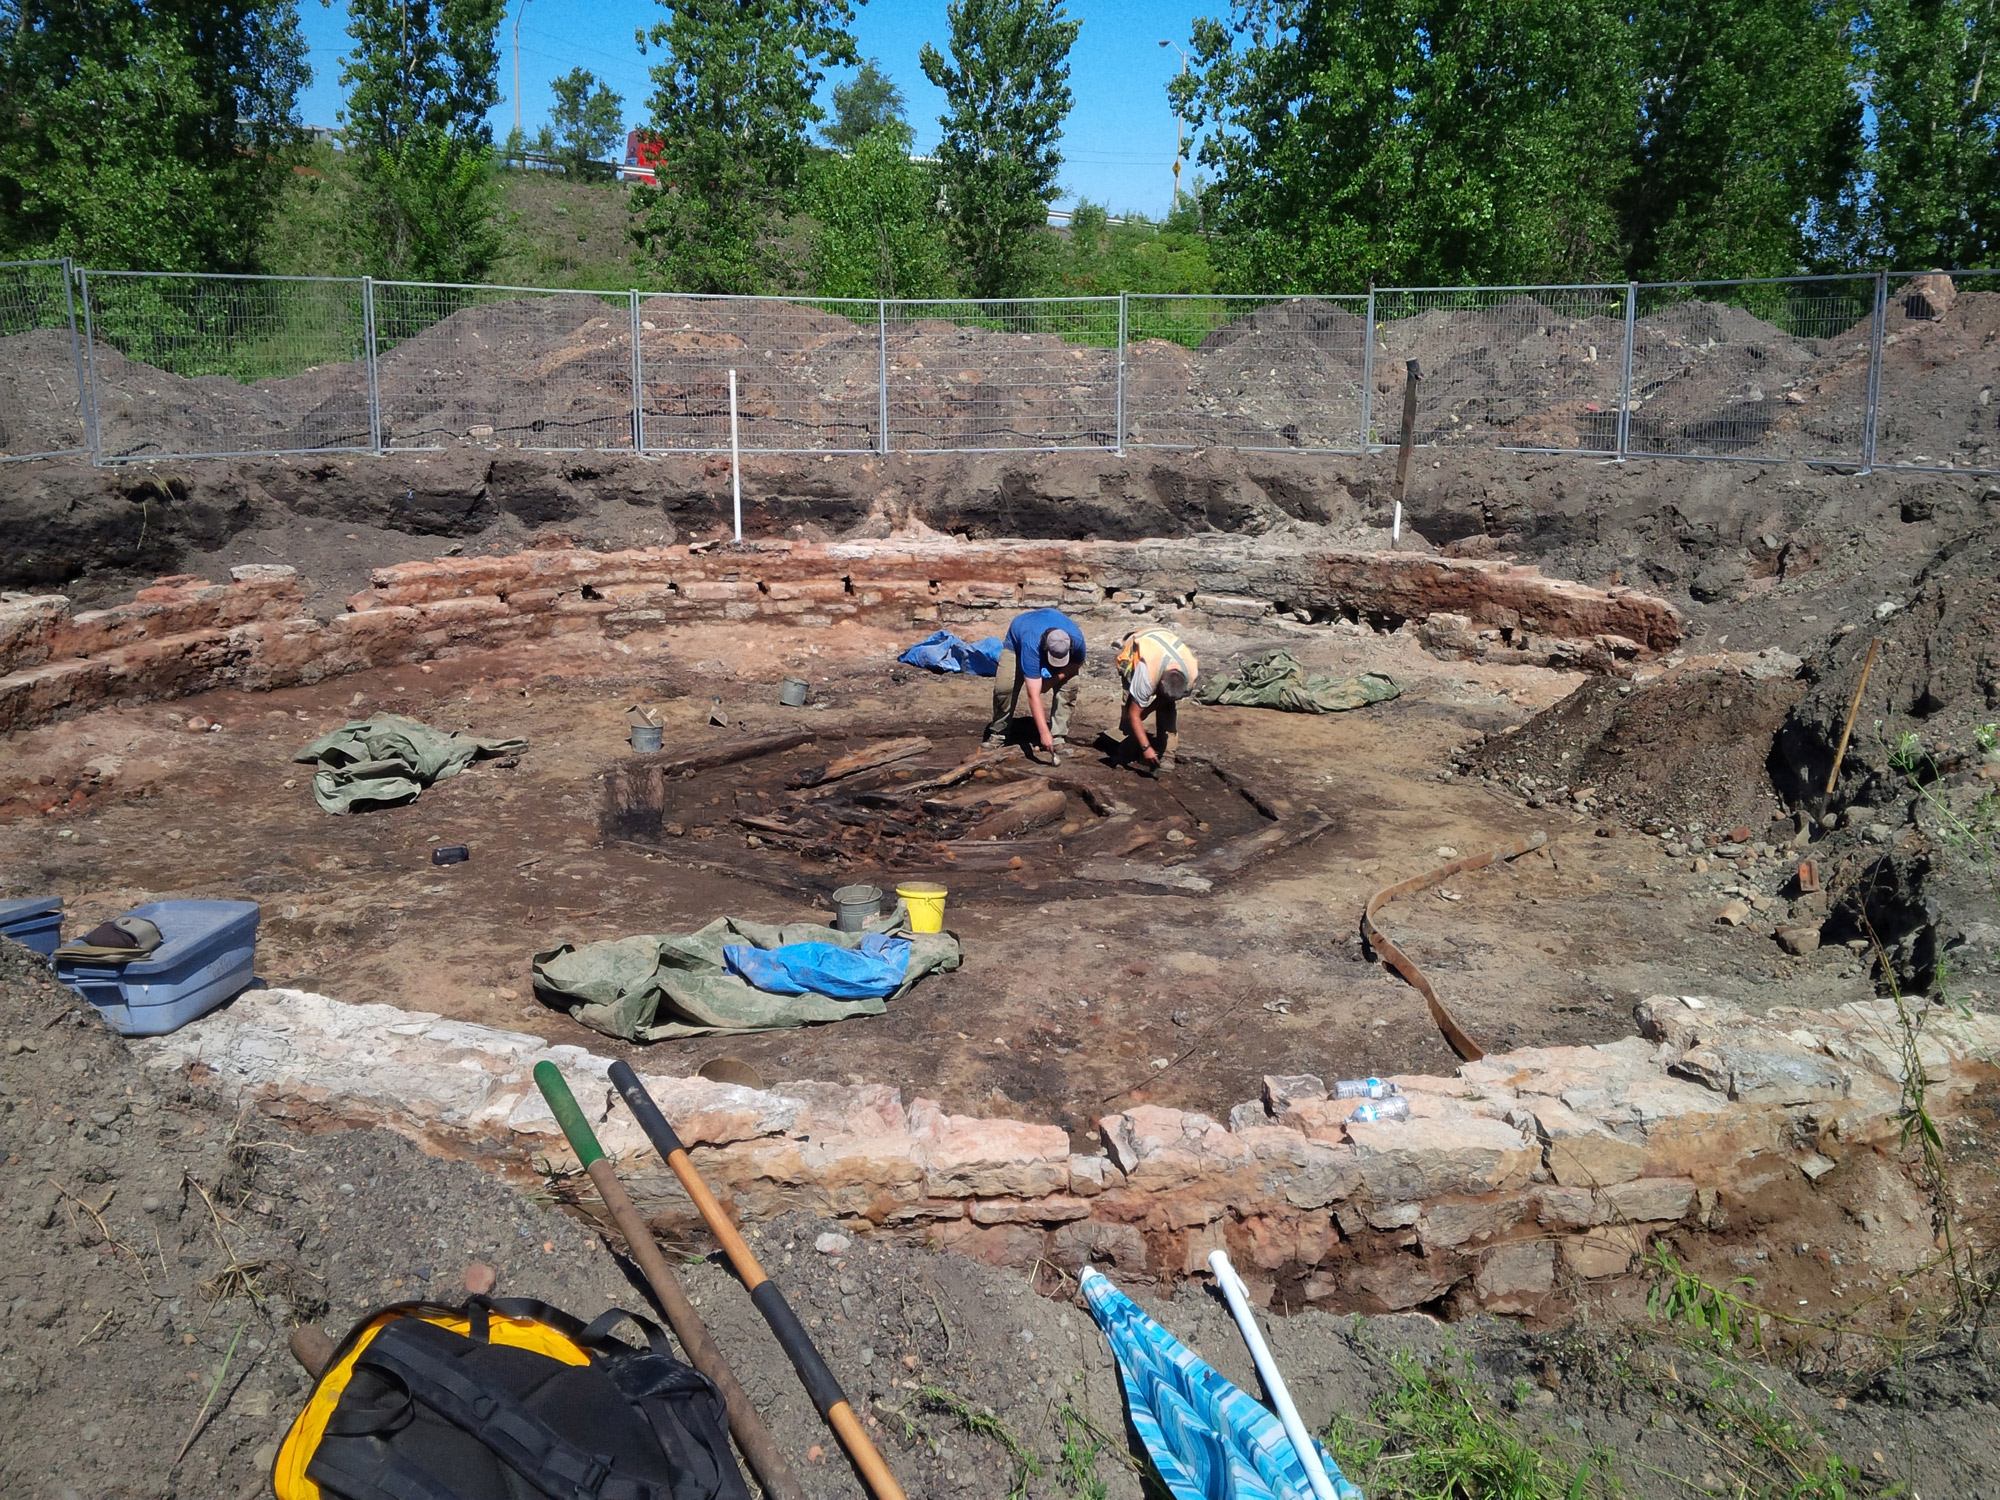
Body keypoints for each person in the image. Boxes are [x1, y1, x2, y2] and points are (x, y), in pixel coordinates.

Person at [986, 608, 1085, 758]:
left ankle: (1057, 738)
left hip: (1049, 635)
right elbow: (1033, 695)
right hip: (1017, 643)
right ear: (1044, 648)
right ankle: (998, 735)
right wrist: (1043, 733)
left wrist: (1053, 680)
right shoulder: (1031, 645)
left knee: (1071, 685)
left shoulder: (1077, 640)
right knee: (1004, 688)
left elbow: (1076, 663)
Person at [1115, 627, 1199, 775]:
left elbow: (1166, 699)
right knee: (1131, 706)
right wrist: (1146, 747)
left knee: (1168, 710)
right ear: (1159, 683)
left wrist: (1147, 710)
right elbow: (1134, 714)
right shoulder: (1146, 674)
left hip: (1167, 646)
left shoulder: (1190, 675)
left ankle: (1167, 754)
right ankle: (1129, 747)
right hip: (1138, 650)